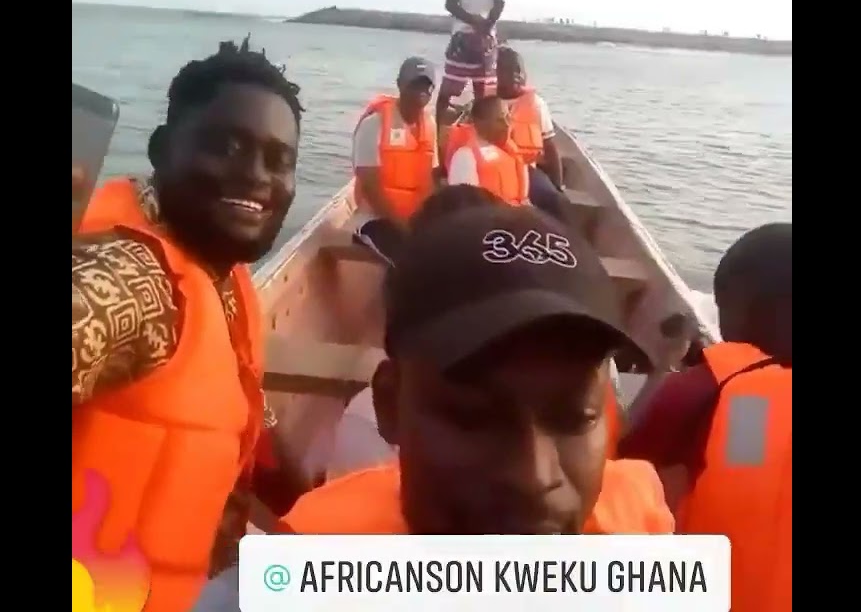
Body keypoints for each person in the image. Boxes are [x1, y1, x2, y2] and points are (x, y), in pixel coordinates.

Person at [71, 38, 306, 612]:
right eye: (226, 147)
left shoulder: (221, 272)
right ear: (161, 150)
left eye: (279, 160)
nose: (255, 177)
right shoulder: (132, 278)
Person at [278, 203, 675, 534]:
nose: (534, 477)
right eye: (472, 418)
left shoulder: (641, 532)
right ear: (389, 404)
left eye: (577, 418)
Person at [618, 222, 792, 612]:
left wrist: (667, 371)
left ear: (743, 310)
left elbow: (620, 481)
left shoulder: (716, 395)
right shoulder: (745, 407)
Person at [351, 56, 439, 264]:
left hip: (413, 219)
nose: (422, 90)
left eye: (427, 86)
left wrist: (432, 221)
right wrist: (404, 228)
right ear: (400, 84)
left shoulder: (430, 124)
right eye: (415, 83)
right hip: (375, 220)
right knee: (410, 258)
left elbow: (430, 180)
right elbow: (371, 188)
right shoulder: (374, 124)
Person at [437, 0, 506, 142]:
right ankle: (483, 141)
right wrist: (484, 26)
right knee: (484, 96)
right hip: (486, 42)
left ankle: (438, 135)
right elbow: (498, 6)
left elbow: (450, 4)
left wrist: (470, 20)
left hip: (461, 39)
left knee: (446, 93)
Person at [494, 46, 568, 214]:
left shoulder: (536, 104)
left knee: (554, 201)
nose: (515, 74)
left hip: (526, 169)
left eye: (519, 70)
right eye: (507, 69)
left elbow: (549, 147)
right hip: (490, 167)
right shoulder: (483, 99)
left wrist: (558, 186)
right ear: (494, 72)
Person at [446, 96, 530, 207]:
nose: (507, 125)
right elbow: (467, 209)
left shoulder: (510, 149)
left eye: (508, 118)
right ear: (480, 123)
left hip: (517, 215)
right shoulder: (465, 156)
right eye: (500, 120)